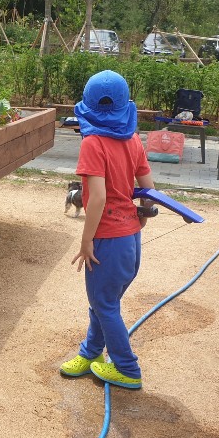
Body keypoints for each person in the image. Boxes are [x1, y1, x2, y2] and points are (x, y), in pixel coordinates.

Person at [60, 70, 155, 389]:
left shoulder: (93, 144)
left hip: (108, 241)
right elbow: (147, 186)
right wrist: (143, 215)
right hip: (130, 241)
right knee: (103, 302)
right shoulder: (132, 139)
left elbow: (97, 197)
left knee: (105, 304)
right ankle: (90, 354)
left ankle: (127, 368)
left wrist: (86, 241)